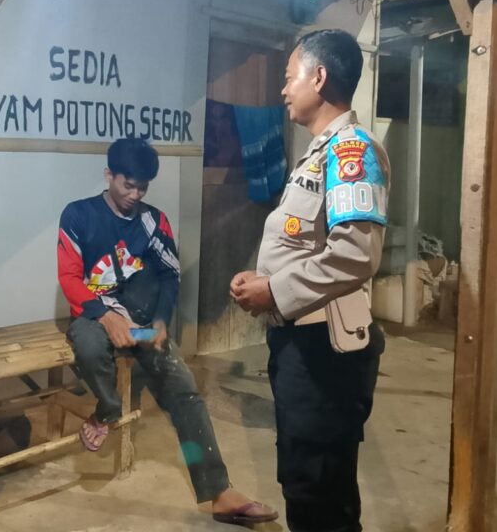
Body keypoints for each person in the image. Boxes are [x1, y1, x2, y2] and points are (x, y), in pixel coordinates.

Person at [57, 137, 278, 526]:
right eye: (128, 184)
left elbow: (169, 276)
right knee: (89, 349)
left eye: (142, 187)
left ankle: (218, 491)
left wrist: (160, 322)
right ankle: (107, 410)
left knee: (184, 391)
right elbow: (70, 278)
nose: (134, 194)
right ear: (109, 175)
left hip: (143, 325)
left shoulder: (154, 222)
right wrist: (106, 317)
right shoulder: (78, 215)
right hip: (94, 315)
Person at [230, 29, 389, 532]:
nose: (283, 89)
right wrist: (264, 278)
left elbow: (355, 254)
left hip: (325, 351)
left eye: (289, 76)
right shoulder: (320, 153)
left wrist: (274, 290)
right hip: (303, 342)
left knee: (320, 493)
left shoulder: (351, 152)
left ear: (318, 78)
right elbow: (311, 243)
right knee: (305, 482)